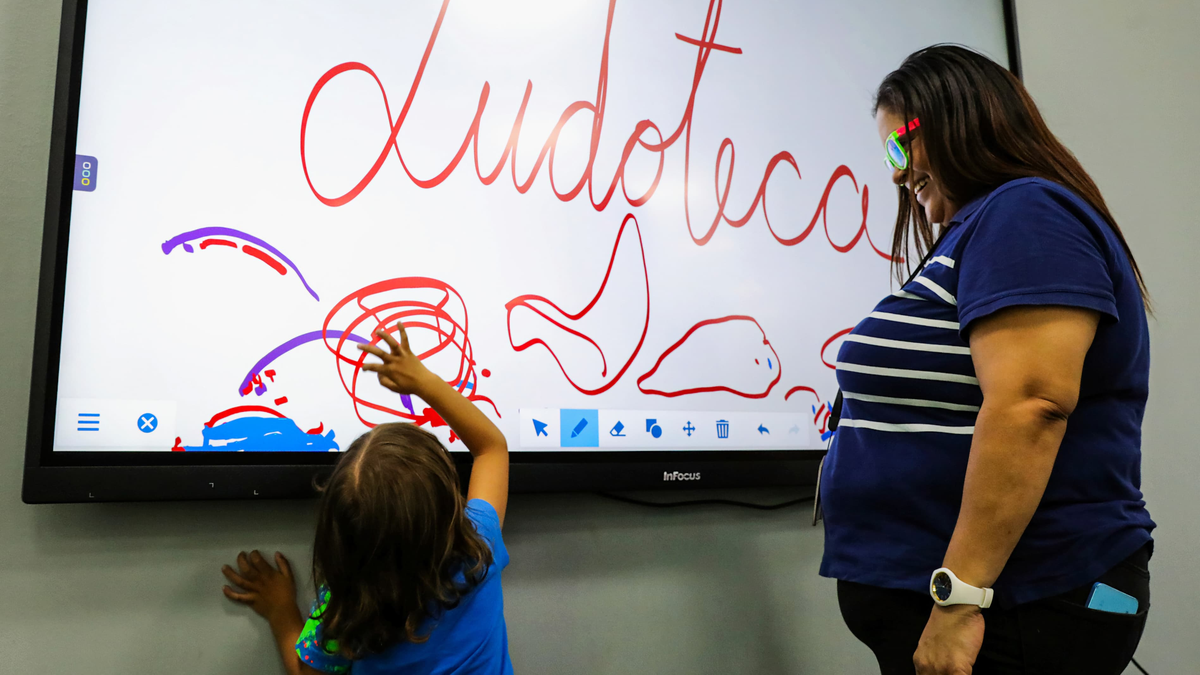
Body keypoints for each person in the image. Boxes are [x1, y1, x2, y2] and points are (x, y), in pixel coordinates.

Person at [819, 45, 1155, 675]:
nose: (894, 173)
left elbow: (1031, 404)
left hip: (1021, 607)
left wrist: (958, 601)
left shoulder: (1024, 213)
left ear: (959, 116)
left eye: (901, 145)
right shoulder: (988, 226)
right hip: (995, 610)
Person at [220, 322, 512, 674]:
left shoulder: (345, 615)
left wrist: (281, 610)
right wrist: (424, 382)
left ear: (337, 541)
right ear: (449, 506)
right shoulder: (480, 549)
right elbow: (491, 449)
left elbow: (306, 672)